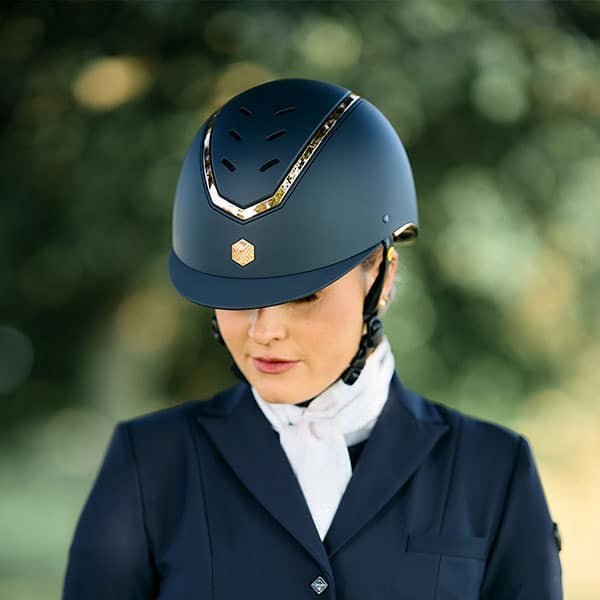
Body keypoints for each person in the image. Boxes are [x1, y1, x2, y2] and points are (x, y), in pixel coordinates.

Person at [62, 78, 563, 599]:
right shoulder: (148, 464)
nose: (264, 331)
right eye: (234, 295)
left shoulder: (494, 471)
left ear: (382, 274)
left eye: (303, 296)